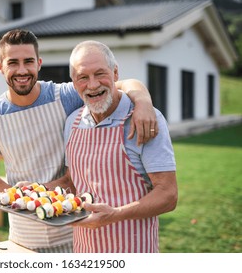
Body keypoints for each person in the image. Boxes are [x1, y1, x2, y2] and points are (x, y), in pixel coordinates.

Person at [0, 29, 158, 253]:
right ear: (0, 67)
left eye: (28, 61)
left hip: (76, 228)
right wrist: (18, 199)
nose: (22, 70)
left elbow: (121, 83)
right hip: (25, 235)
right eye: (13, 63)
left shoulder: (65, 96)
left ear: (39, 63)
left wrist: (143, 101)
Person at [64, 40, 178, 253]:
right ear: (73, 82)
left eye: (100, 74)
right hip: (84, 250)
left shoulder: (145, 119)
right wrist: (32, 190)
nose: (93, 84)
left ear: (116, 73)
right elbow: (72, 181)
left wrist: (115, 214)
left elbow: (168, 195)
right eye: (83, 77)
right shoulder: (72, 122)